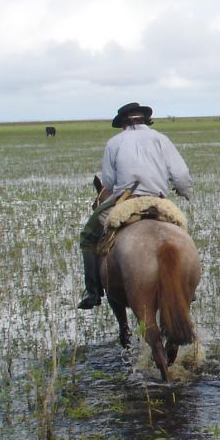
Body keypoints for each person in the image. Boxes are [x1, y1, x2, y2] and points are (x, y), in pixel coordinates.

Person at [77, 102, 192, 309]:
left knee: (87, 237)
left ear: (123, 124)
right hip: (158, 200)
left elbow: (109, 183)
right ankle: (188, 287)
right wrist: (182, 190)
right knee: (180, 230)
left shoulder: (114, 142)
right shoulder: (160, 139)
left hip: (126, 201)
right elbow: (181, 175)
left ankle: (93, 293)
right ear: (146, 121)